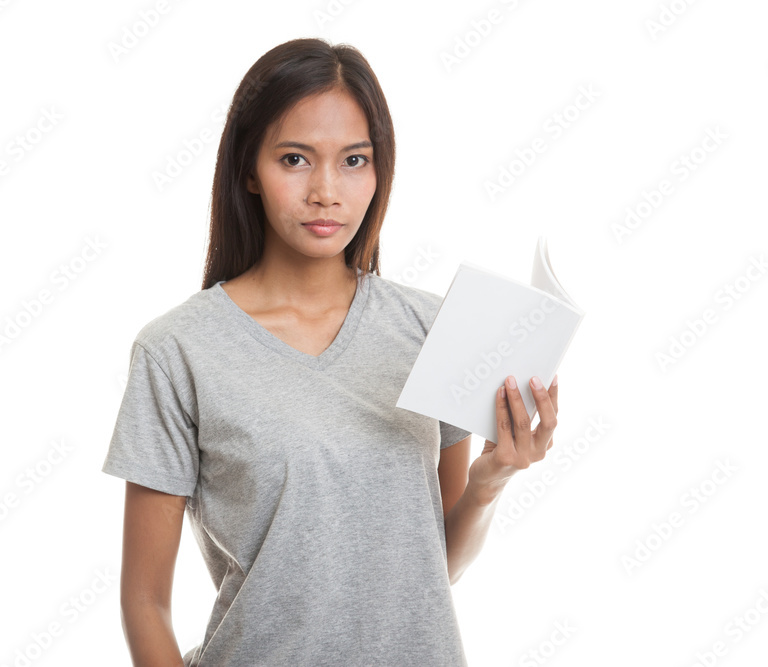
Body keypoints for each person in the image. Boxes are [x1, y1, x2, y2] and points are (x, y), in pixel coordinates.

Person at [102, 37, 559, 667]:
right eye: (294, 159)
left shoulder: (432, 327)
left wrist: (489, 482)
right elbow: (145, 601)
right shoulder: (178, 351)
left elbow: (435, 567)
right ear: (248, 170)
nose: (325, 191)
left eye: (353, 161)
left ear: (379, 171)